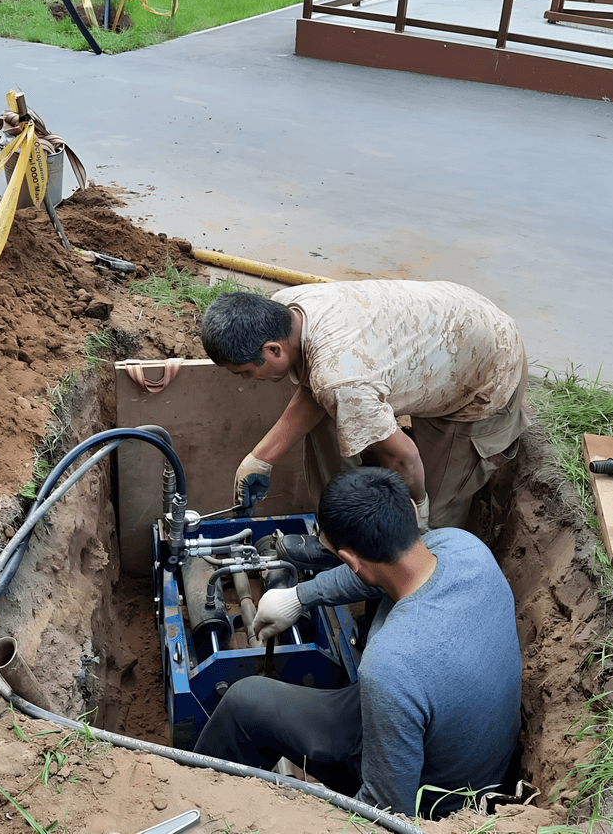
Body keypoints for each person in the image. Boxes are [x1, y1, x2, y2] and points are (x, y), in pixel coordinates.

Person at [193, 468, 523, 819]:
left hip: (437, 806)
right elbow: (378, 576)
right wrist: (300, 597)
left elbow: (388, 810)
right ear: (410, 510)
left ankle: (193, 806)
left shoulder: (389, 667)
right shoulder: (464, 547)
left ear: (350, 560)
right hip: (469, 752)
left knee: (245, 703)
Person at [199, 279, 530, 530]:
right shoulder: (287, 308)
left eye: (245, 372)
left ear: (273, 350)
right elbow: (322, 386)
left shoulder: (343, 378)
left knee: (436, 518)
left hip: (485, 368)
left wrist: (419, 505)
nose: (246, 381)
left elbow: (402, 457)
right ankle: (344, 527)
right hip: (444, 329)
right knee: (338, 413)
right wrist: (260, 459)